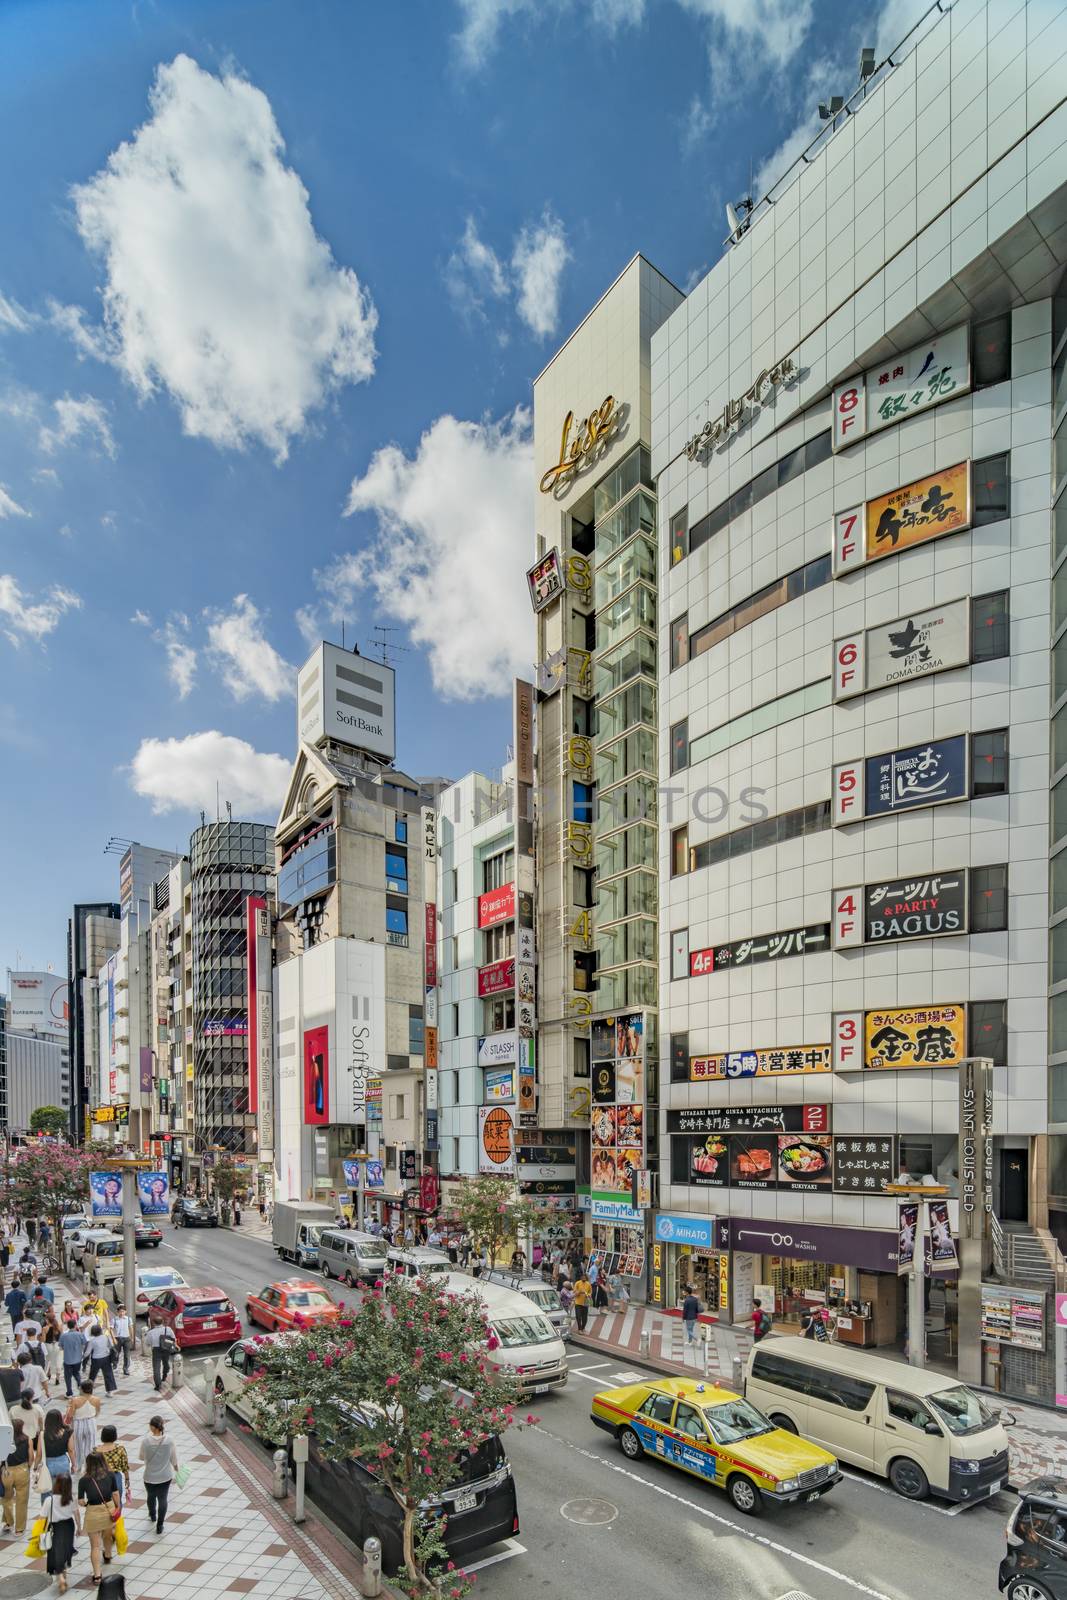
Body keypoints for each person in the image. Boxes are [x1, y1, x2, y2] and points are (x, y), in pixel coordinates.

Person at [78, 1450, 120, 1579]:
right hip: (109, 1509)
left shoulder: (84, 1480)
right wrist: (117, 1507)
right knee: (107, 1535)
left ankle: (97, 1574)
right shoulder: (110, 1475)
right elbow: (115, 1494)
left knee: (95, 1546)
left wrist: (86, 1505)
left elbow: (81, 1501)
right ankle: (107, 1554)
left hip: (93, 1513)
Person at [139, 1415, 179, 1535]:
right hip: (165, 1476)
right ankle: (160, 1525)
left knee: (150, 1496)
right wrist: (177, 1468)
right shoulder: (169, 1440)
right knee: (163, 1499)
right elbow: (174, 1458)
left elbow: (141, 1457)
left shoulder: (146, 1441)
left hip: (149, 1476)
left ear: (152, 1427)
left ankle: (152, 1514)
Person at [44, 1472, 79, 1592]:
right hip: (69, 1526)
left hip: (55, 1527)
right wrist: (79, 1527)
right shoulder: (71, 1498)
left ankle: (61, 1578)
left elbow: (42, 1516)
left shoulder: (50, 1500)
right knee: (66, 1549)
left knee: (56, 1551)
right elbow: (76, 1513)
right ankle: (64, 1571)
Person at [2, 1419, 32, 1535]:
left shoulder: (4, 1441)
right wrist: (28, 1467)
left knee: (6, 1498)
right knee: (22, 1501)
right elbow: (31, 1457)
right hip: (22, 1470)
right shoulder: (27, 1439)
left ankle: (9, 1522)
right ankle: (19, 1529)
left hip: (7, 1471)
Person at [67, 1382, 101, 1474]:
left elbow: (70, 1414)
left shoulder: (75, 1400)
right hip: (91, 1422)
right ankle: (89, 1467)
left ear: (82, 1389)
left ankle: (78, 1466)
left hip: (78, 1423)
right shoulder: (97, 1399)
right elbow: (97, 1412)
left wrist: (68, 1406)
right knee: (90, 1446)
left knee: (78, 1446)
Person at [98, 1426, 131, 1507]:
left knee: (103, 1503)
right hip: (116, 1478)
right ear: (114, 1436)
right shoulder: (120, 1449)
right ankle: (117, 1518)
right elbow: (125, 1466)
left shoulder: (97, 1450)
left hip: (100, 1479)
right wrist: (127, 1479)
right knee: (117, 1503)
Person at [14, 1391, 44, 1474]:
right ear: (32, 1397)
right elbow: (41, 1422)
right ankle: (33, 1469)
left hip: (19, 1437)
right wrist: (41, 1431)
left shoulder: (13, 1409)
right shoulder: (37, 1408)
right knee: (33, 1455)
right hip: (34, 1437)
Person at [43, 1409, 74, 1485]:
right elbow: (71, 1450)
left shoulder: (43, 1434)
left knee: (46, 1490)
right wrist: (74, 1464)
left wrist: (35, 1466)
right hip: (63, 1462)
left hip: (48, 1464)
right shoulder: (68, 1431)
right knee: (65, 1491)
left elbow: (39, 1453)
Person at [145, 1320, 175, 1392]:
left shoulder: (151, 1332)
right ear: (162, 1322)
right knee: (165, 1362)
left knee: (156, 1368)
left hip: (156, 1350)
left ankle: (158, 1385)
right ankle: (165, 1374)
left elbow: (147, 1343)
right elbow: (173, 1338)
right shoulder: (168, 1329)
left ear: (154, 1323)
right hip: (166, 1349)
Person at [86, 1326, 117, 1395]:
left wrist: (83, 1357)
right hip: (106, 1357)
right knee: (108, 1374)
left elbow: (88, 1352)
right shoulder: (105, 1337)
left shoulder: (92, 1340)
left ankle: (88, 1391)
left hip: (96, 1359)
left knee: (92, 1375)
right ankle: (110, 1391)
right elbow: (111, 1345)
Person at [59, 1324, 86, 1398]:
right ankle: (81, 1387)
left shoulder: (64, 1336)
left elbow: (60, 1348)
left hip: (67, 1359)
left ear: (68, 1326)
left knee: (67, 1377)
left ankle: (69, 1392)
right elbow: (84, 1345)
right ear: (75, 1325)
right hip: (78, 1358)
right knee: (76, 1373)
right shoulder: (80, 1334)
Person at [111, 1308, 133, 1380]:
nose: (121, 1313)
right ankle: (115, 1363)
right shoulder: (114, 1319)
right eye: (120, 1311)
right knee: (116, 1353)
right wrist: (113, 1338)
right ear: (117, 1312)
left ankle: (125, 1368)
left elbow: (131, 1327)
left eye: (123, 1311)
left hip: (126, 1338)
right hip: (118, 1338)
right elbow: (111, 1328)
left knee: (127, 1354)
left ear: (125, 1312)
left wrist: (132, 1337)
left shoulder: (128, 1319)